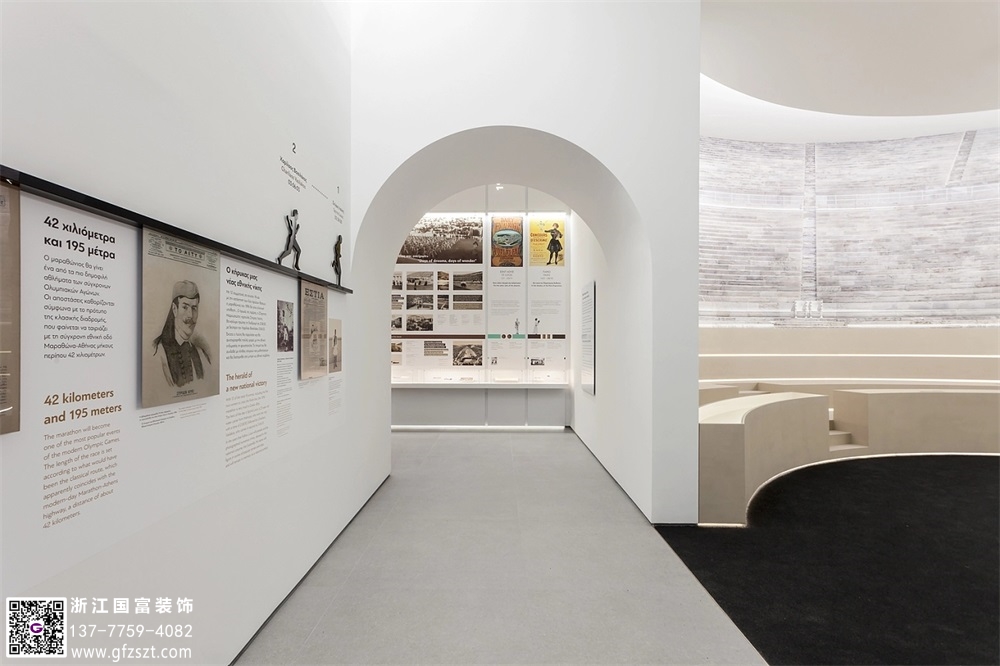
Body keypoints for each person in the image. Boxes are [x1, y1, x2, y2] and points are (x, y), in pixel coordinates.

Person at [152, 280, 211, 388]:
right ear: (174, 309)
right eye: (185, 307)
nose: (190, 315)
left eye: (194, 308)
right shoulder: (159, 353)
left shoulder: (201, 354)